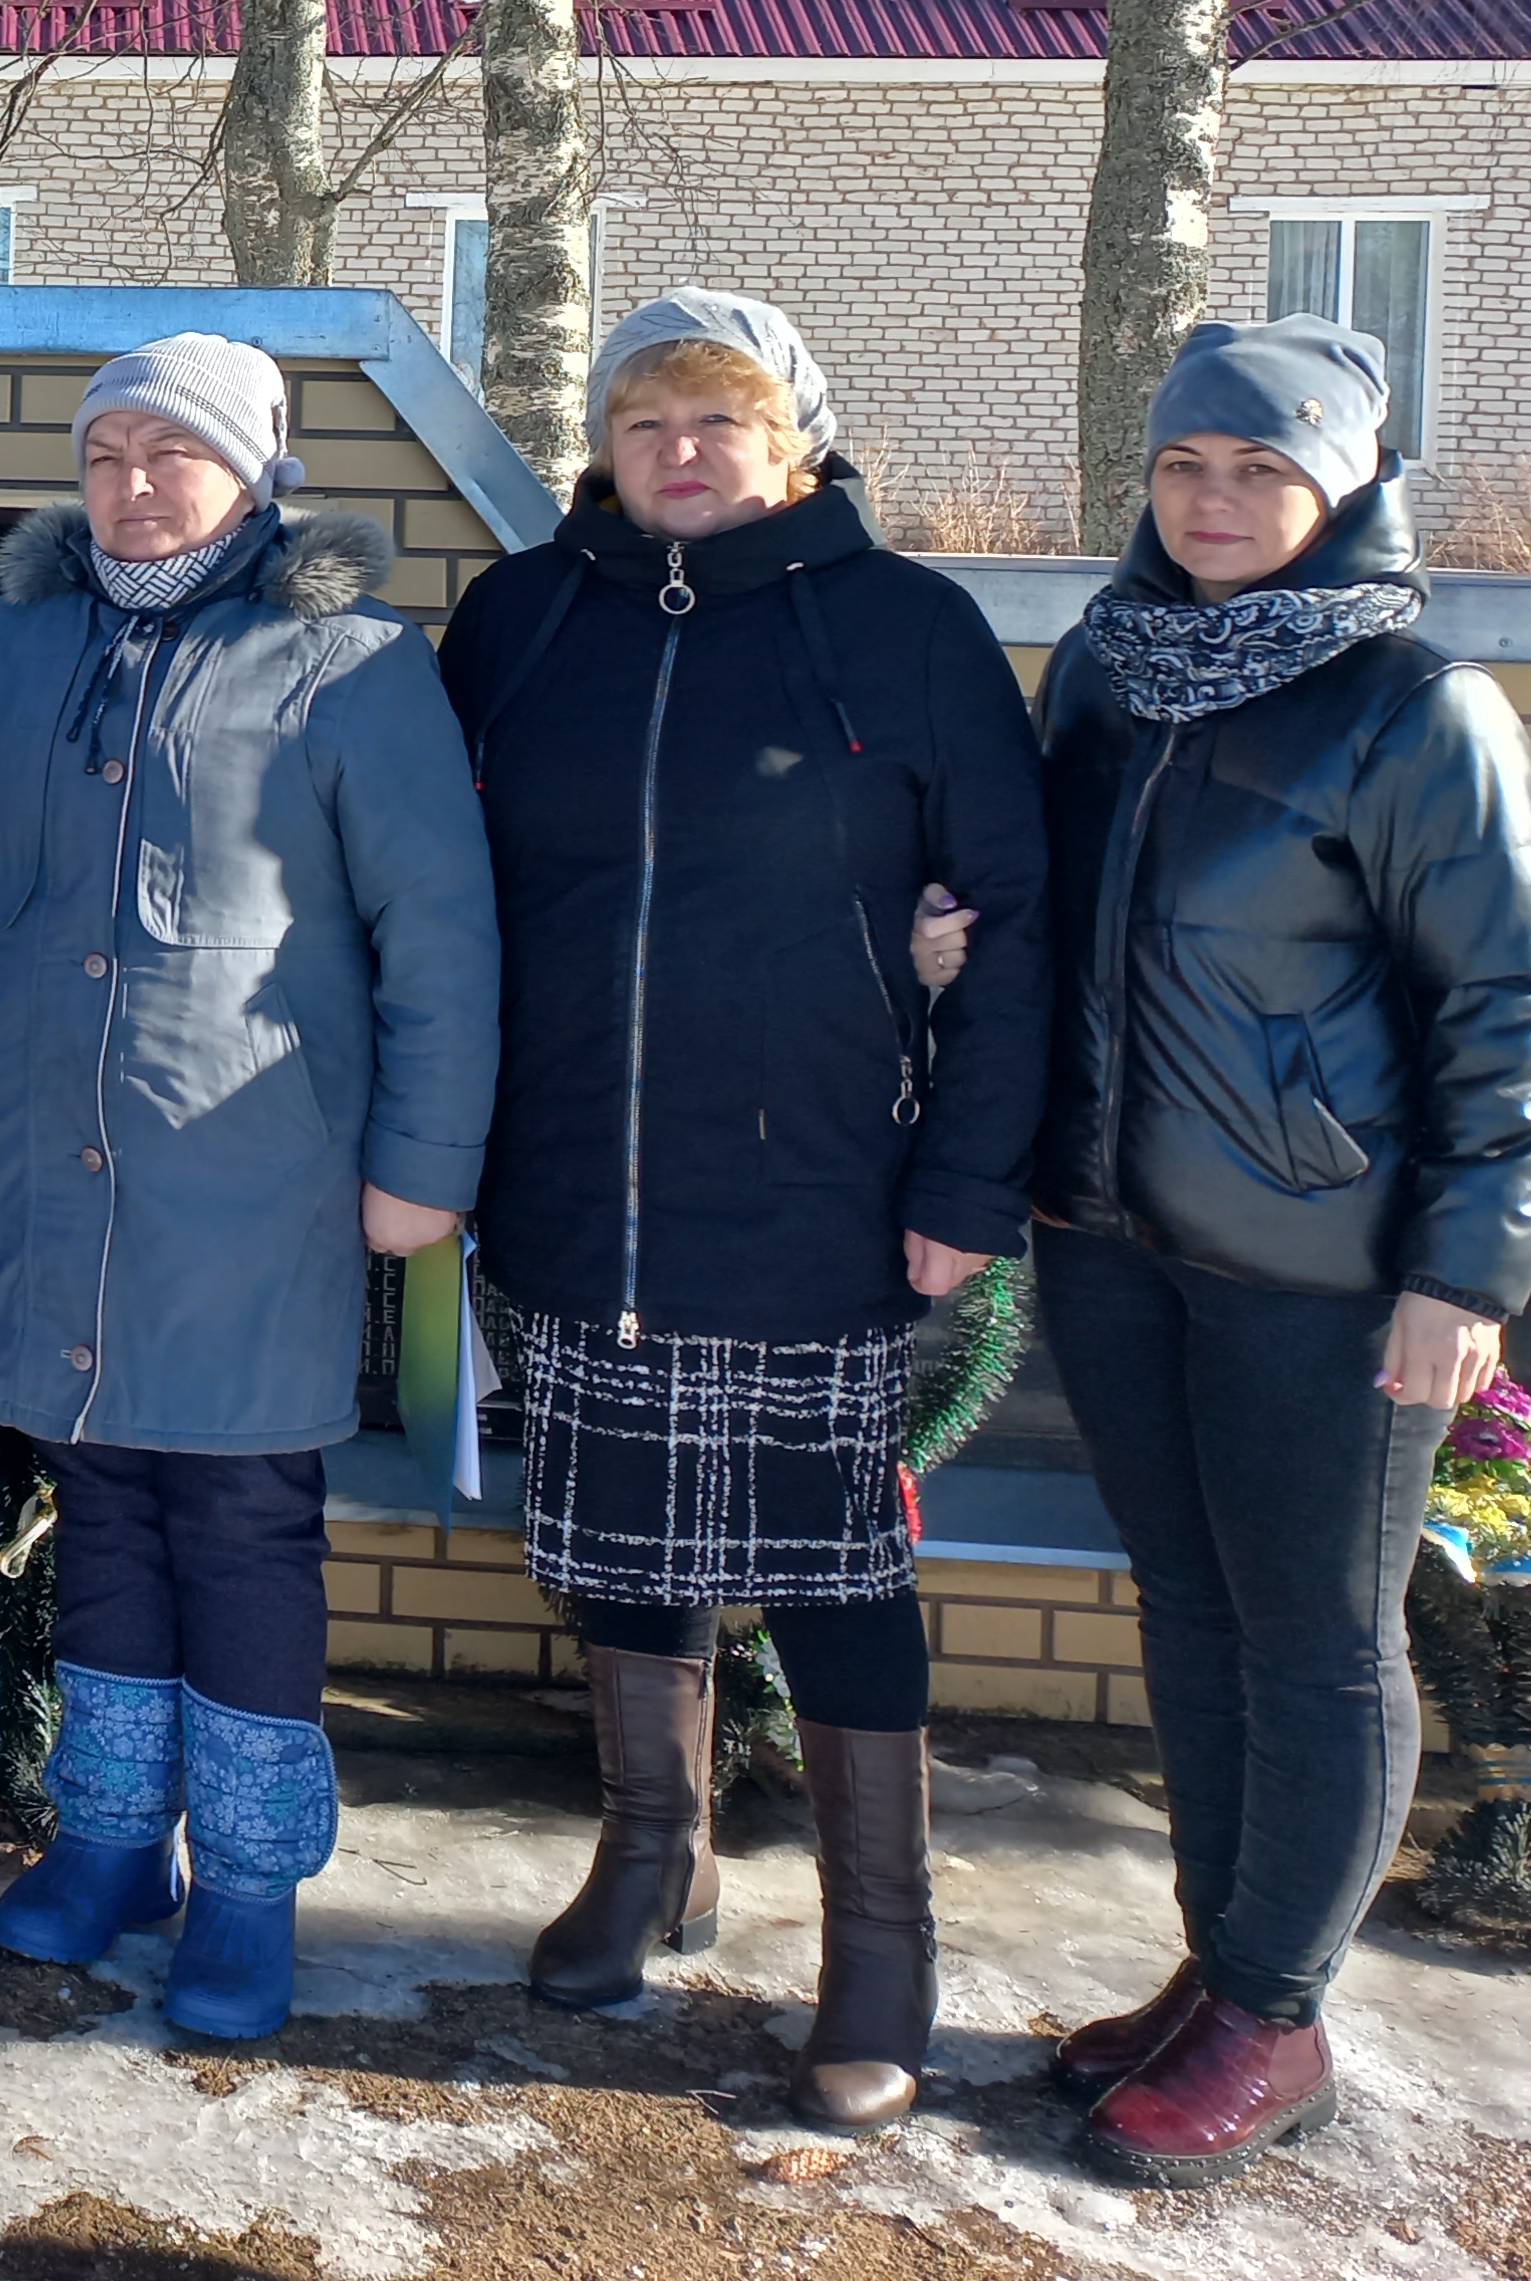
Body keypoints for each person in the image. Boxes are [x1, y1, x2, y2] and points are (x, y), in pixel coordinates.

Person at [434, 291, 1051, 2127]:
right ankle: (655, 1854)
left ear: (798, 438)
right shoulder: (525, 618)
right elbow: (430, 876)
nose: (683, 453)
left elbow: (1003, 920)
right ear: (604, 447)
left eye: (725, 419)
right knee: (617, 1542)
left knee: (834, 1566)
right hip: (564, 1178)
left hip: (813, 1181)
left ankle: (883, 1951)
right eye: (647, 421)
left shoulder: (908, 630)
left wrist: (967, 1182)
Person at [1028, 317, 1531, 2187]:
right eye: (1187, 466)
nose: (1217, 501)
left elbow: (1506, 1006)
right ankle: (1221, 1971)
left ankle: (1278, 2016)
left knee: (1324, 1643)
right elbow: (1045, 911)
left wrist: (1466, 1272)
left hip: (1330, 1268)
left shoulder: (1419, 708)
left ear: (1344, 485)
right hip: (1113, 1241)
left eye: (1264, 469)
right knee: (1194, 1618)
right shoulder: (1107, 670)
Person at [0, 337, 500, 2042]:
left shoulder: (349, 664)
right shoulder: (5, 648)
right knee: (97, 1503)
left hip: (250, 1175)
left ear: (254, 471)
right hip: (36, 1169)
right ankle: (108, 1839)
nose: (136, 484)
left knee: (240, 1520)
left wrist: (423, 1172)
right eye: (106, 453)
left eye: (176, 453)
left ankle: (247, 1878)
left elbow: (437, 935)